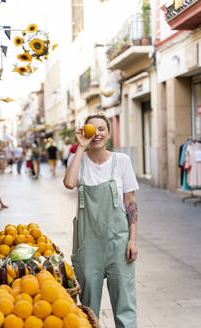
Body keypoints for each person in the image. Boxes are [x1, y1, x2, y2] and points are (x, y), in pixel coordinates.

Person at [63, 114, 139, 328]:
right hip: (87, 247)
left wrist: (133, 240)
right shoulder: (78, 160)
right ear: (84, 131)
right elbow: (69, 183)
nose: (96, 133)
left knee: (125, 306)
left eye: (102, 129)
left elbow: (131, 201)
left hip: (119, 244)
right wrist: (80, 147)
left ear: (109, 133)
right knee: (88, 310)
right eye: (91, 129)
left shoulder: (121, 161)